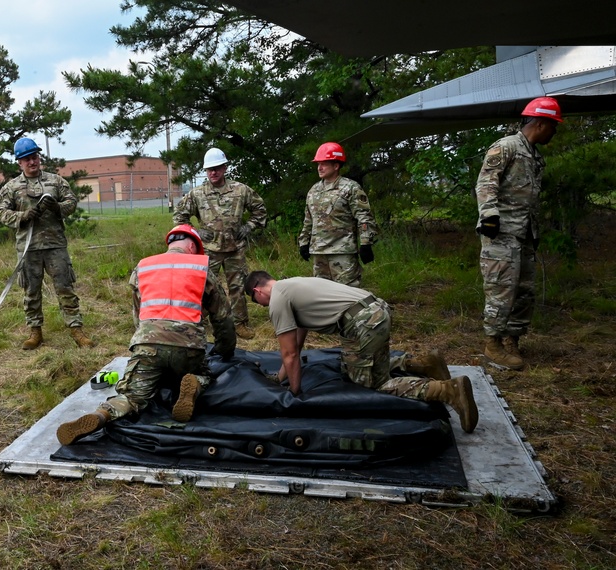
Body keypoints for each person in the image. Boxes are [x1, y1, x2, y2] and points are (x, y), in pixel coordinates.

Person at [57, 225, 236, 445]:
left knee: (132, 396)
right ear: (192, 246)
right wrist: (226, 349)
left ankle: (100, 415)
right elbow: (223, 317)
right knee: (204, 373)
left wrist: (144, 344)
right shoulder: (201, 268)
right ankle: (194, 384)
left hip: (148, 344)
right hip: (188, 347)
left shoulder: (143, 267)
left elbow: (138, 315)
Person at [244, 270, 479, 433]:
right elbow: (295, 345)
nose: (262, 306)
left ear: (258, 291)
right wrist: (280, 378)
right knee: (353, 364)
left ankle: (447, 390)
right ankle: (425, 364)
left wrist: (294, 394)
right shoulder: (291, 284)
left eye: (257, 302)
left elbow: (290, 355)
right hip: (375, 310)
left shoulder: (276, 299)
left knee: (373, 383)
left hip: (362, 324)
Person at [475, 97, 562, 370]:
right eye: (553, 126)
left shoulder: (535, 155)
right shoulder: (506, 146)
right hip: (501, 232)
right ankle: (492, 345)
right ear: (541, 122)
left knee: (524, 291)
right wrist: (489, 215)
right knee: (500, 289)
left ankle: (512, 339)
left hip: (524, 234)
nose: (555, 132)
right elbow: (486, 181)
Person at [0, 137, 94, 350]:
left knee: (65, 288)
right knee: (31, 291)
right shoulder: (11, 187)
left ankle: (76, 329)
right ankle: (35, 332)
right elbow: (1, 212)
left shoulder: (56, 181)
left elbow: (71, 202)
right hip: (28, 248)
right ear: (19, 163)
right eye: (27, 159)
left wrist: (57, 207)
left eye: (35, 157)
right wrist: (23, 215)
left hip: (55, 245)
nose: (32, 162)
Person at [172, 147, 266, 340]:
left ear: (224, 168)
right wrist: (196, 233)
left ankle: (240, 323)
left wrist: (248, 227)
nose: (213, 172)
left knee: (238, 287)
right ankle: (200, 321)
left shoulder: (240, 190)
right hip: (209, 251)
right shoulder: (197, 194)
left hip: (235, 250)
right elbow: (179, 216)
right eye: (209, 169)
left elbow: (260, 209)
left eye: (216, 168)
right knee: (203, 287)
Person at [297, 142, 379, 287]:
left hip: (342, 251)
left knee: (348, 291)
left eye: (324, 164)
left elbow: (364, 216)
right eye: (318, 164)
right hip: (319, 252)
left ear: (336, 166)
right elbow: (309, 220)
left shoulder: (350, 188)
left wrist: (366, 243)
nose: (319, 168)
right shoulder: (314, 190)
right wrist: (304, 242)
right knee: (322, 292)